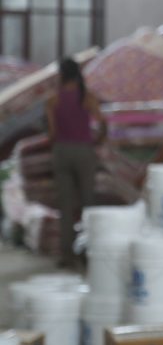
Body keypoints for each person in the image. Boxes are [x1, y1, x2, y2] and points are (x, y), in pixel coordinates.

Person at [46, 57, 107, 269]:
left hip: (62, 151)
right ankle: (90, 253)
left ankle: (67, 256)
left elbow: (52, 134)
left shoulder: (53, 100)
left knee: (65, 205)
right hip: (84, 151)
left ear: (61, 75)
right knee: (88, 202)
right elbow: (102, 122)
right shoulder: (87, 98)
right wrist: (98, 140)